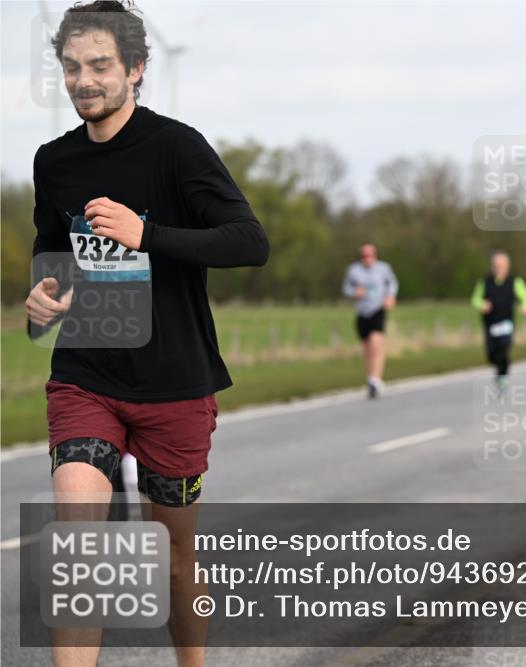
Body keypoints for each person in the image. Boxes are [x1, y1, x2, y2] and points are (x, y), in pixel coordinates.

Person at [24, 3, 269, 665]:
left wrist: (147, 234)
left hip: (174, 384)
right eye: (72, 66)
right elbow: (54, 256)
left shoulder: (177, 147)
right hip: (87, 377)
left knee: (174, 556)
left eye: (100, 65)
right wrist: (41, 302)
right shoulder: (55, 161)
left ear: (135, 68)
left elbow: (250, 243)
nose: (84, 80)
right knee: (77, 545)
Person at [470, 251, 526, 389]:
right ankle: (500, 371)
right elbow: (475, 299)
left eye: (501, 266)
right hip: (490, 324)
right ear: (492, 266)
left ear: (507, 266)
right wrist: (482, 305)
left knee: (504, 349)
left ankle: (503, 376)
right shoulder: (484, 282)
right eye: (496, 266)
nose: (498, 268)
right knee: (492, 355)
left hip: (506, 323)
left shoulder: (515, 281)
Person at [342, 244, 398, 398]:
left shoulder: (383, 269)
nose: (367, 260)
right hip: (362, 312)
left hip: (377, 309)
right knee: (367, 349)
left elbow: (392, 283)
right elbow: (345, 288)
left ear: (375, 256)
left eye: (370, 256)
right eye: (364, 257)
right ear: (361, 257)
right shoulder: (354, 270)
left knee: (376, 344)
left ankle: (376, 379)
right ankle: (371, 379)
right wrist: (355, 292)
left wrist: (390, 297)